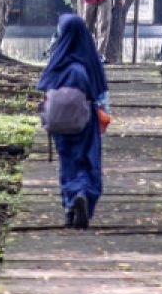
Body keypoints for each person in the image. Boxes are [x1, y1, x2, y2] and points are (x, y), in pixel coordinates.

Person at [36, 14, 109, 229]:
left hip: (59, 123)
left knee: (67, 161)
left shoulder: (57, 61)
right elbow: (100, 93)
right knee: (88, 159)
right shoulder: (89, 62)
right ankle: (84, 193)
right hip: (85, 121)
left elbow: (44, 87)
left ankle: (71, 200)